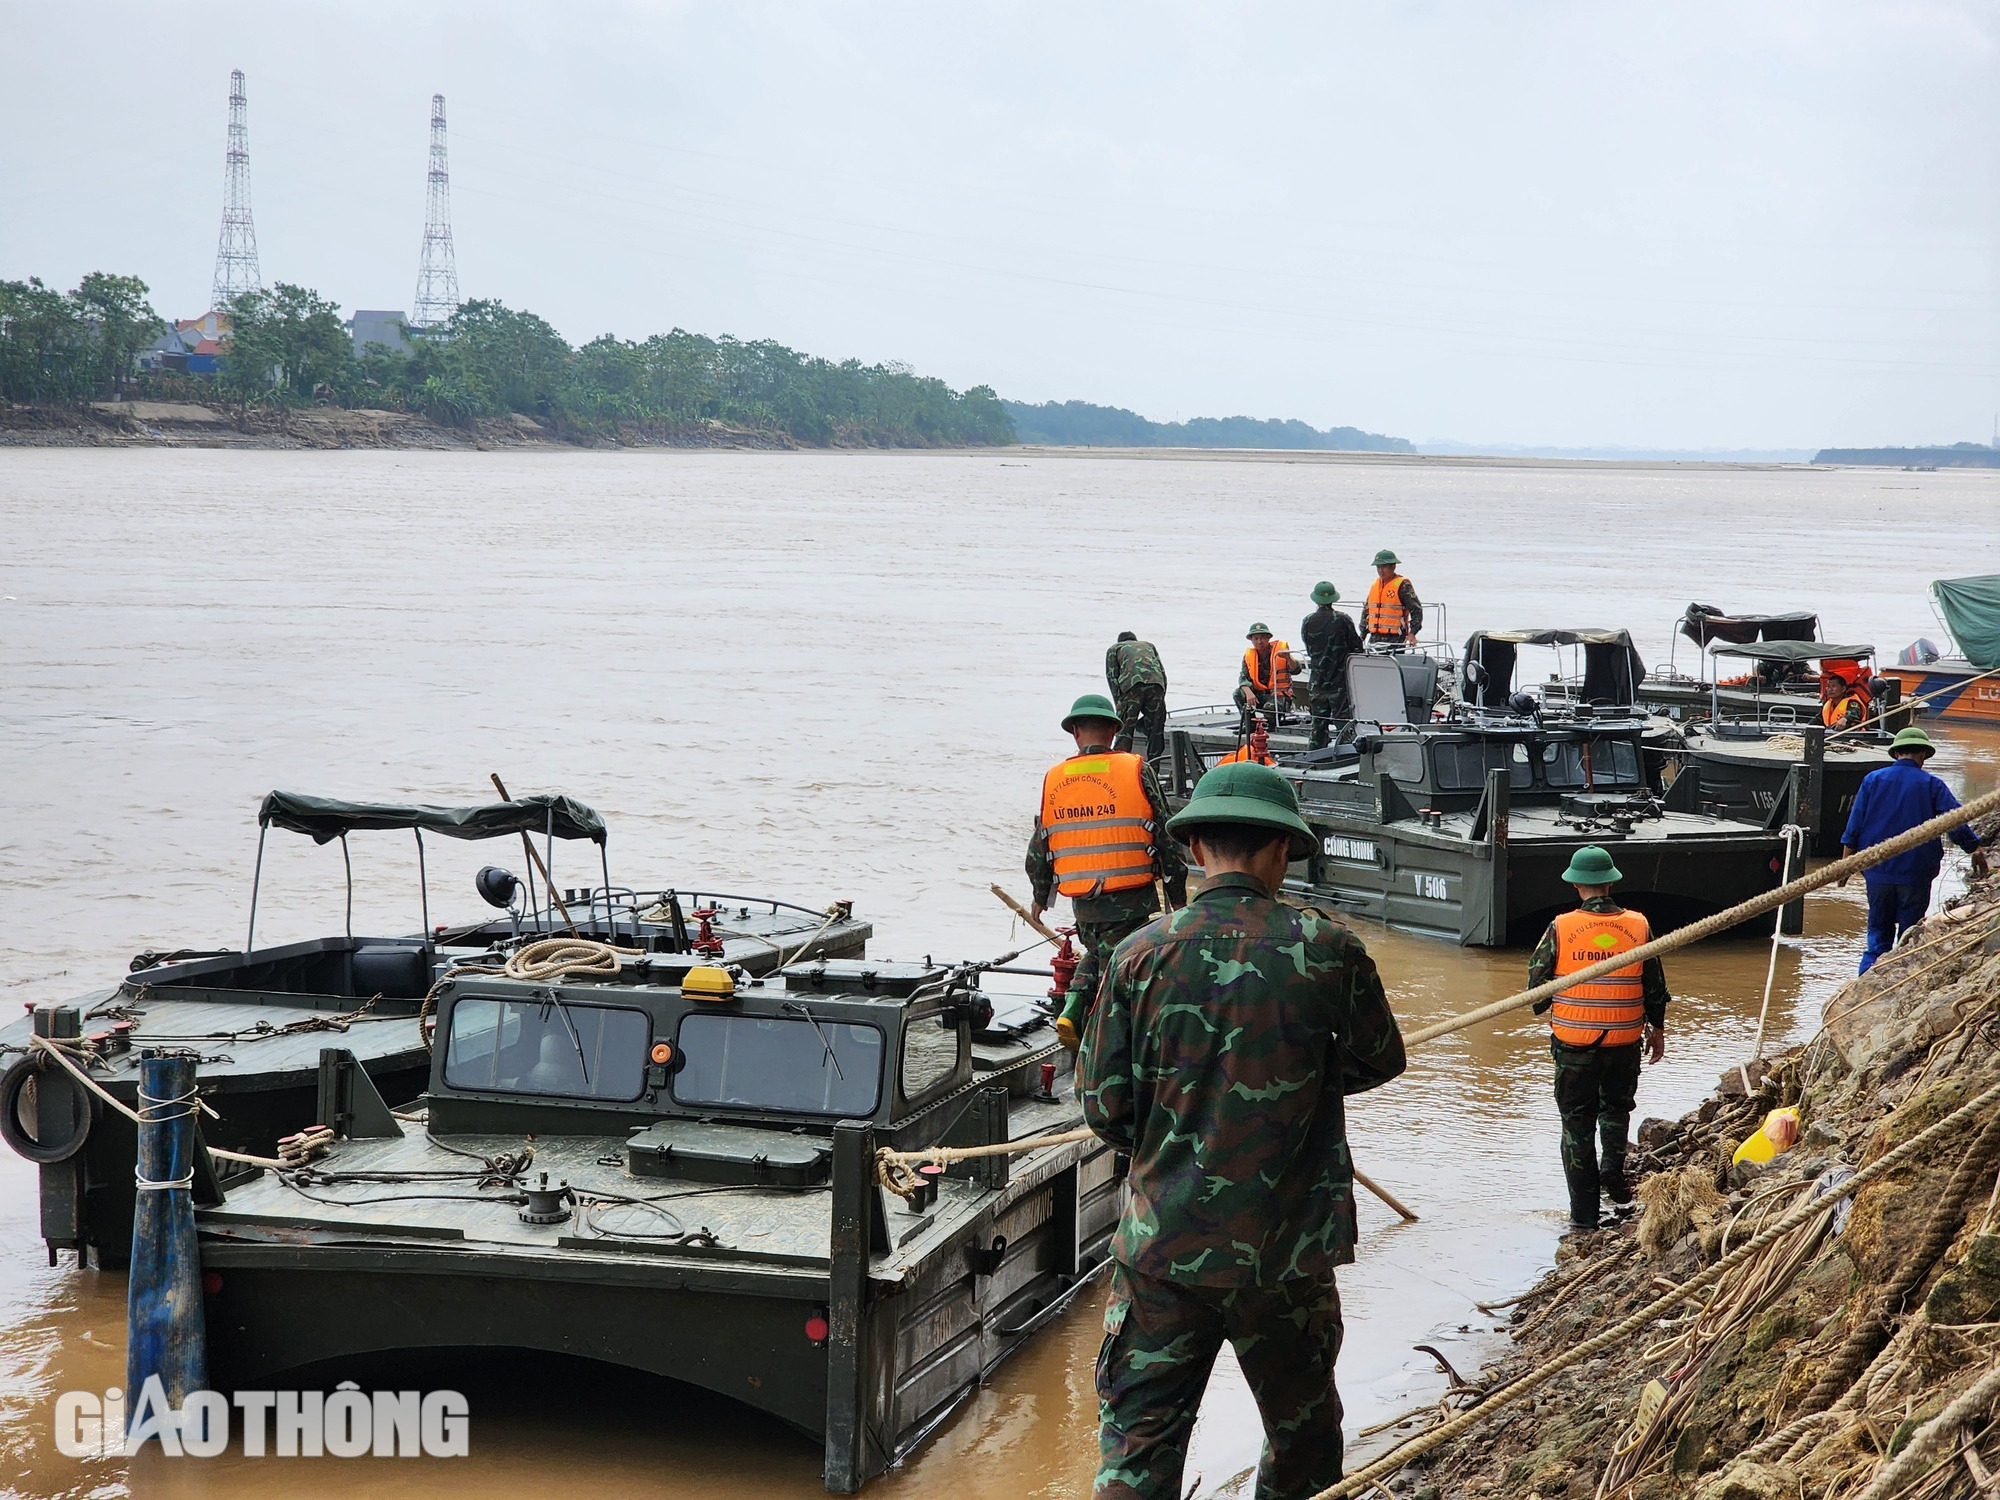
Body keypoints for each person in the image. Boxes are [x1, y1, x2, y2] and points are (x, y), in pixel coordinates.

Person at [1079, 761, 1405, 1500]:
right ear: (1282, 852)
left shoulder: (1137, 956)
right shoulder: (1330, 951)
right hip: (1286, 1255)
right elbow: (1381, 1058)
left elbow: (1103, 1108)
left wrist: (1178, 1115)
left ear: (1195, 851)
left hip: (1163, 1251)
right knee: (1302, 1443)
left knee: (1138, 1449)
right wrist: (1293, 1085)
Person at [1028, 694, 1189, 1049]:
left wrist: (1040, 898)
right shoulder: (1134, 768)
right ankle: (1108, 1045)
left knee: (1098, 953)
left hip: (1084, 901)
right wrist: (1178, 897)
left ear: (1075, 733)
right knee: (1122, 970)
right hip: (1131, 899)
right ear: (1115, 731)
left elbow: (1040, 846)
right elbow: (1165, 833)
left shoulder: (1055, 778)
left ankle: (1071, 1007)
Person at [1527, 846, 1669, 1232]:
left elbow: (1535, 988)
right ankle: (1613, 1175)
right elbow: (1654, 985)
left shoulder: (1560, 927)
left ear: (1576, 884)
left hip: (1574, 1046)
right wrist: (1657, 1029)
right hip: (1624, 1042)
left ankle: (1584, 1218)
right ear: (1610, 882)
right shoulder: (1639, 926)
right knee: (1616, 1109)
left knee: (1576, 1127)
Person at [1839, 726, 1989, 973]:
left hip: (1878, 872)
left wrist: (1844, 868)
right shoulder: (1932, 785)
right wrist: (1974, 849)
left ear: (1896, 753)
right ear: (1923, 754)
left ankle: (1867, 977)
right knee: (1909, 935)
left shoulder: (1872, 780)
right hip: (1916, 873)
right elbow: (1955, 823)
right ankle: (1899, 980)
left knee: (1877, 934)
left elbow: (1853, 827)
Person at [1300, 581, 1361, 751]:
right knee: (1344, 726)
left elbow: (1308, 646)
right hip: (1339, 683)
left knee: (1318, 727)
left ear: (1316, 600)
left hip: (1317, 683)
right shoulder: (1342, 620)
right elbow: (1357, 647)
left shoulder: (1307, 621)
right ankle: (1347, 759)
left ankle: (1314, 758)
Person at [1105, 631, 1169, 762]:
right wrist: (1161, 697)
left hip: (1132, 687)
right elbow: (1162, 672)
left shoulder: (1115, 648)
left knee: (1124, 731)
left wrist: (1119, 703)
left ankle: (1121, 766)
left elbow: (1112, 677)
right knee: (1156, 730)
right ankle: (1154, 768)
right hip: (1156, 685)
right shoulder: (1149, 646)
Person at [1234, 623, 1299, 735]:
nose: (1259, 641)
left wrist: (1288, 658)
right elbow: (1243, 677)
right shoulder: (1249, 656)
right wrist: (1248, 692)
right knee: (1238, 694)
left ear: (1268, 638)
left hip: (1279, 697)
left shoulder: (1280, 652)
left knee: (1269, 707)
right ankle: (1250, 725)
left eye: (1263, 638)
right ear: (1251, 640)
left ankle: (1272, 727)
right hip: (1259, 696)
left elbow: (1296, 670)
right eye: (1256, 638)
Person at [1361, 550, 1422, 648]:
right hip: (1374, 638)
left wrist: (1412, 633)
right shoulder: (1375, 585)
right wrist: (1362, 635)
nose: (1381, 570)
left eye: (1384, 567)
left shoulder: (1403, 585)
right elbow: (1367, 612)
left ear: (1393, 566)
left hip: (1395, 639)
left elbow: (1416, 610)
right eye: (1378, 567)